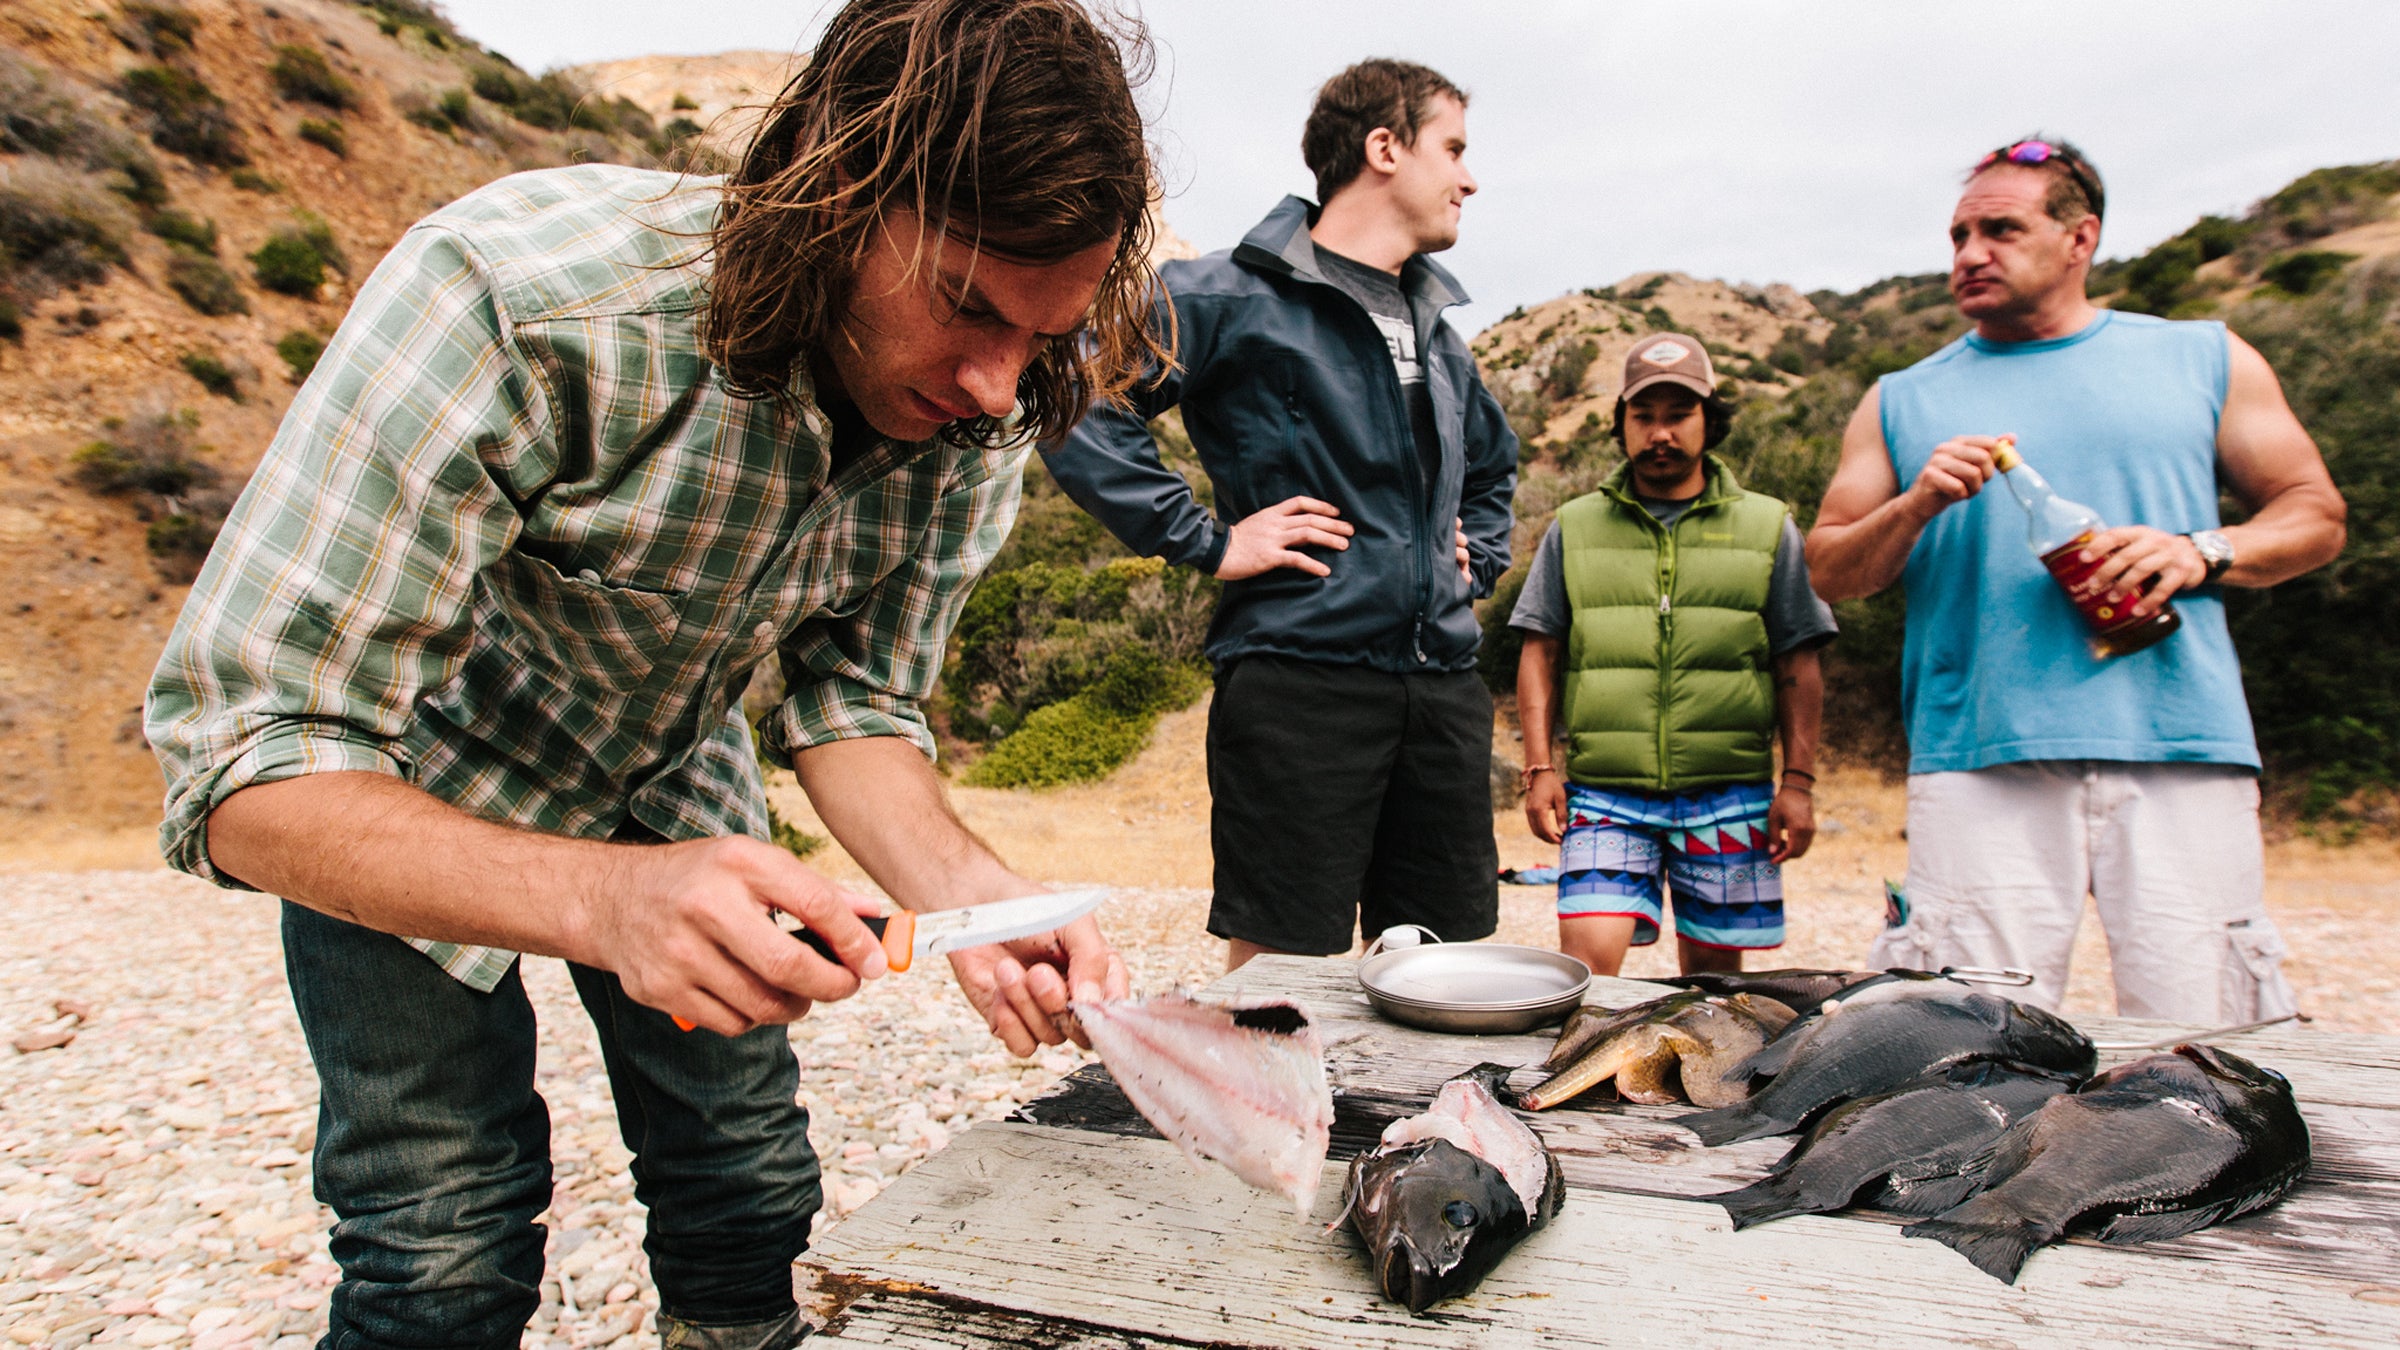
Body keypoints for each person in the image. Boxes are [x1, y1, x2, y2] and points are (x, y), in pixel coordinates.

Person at [142, 3, 1155, 1346]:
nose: (991, 383)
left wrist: (979, 901)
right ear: (835, 189)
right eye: (966, 304)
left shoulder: (983, 405)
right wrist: (608, 900)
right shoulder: (519, 298)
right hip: (394, 782)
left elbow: (851, 700)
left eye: (1045, 334)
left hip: (671, 765)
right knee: (442, 1248)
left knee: (750, 1197)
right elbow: (244, 755)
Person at [1806, 136, 2347, 1022]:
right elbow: (1827, 569)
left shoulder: (2205, 357)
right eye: (1958, 235)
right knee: (1963, 1042)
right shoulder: (1900, 397)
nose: (1971, 254)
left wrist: (2200, 550)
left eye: (2001, 230)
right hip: (1982, 760)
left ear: (2079, 238)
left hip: (2182, 749)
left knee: (2208, 1041)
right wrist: (1912, 507)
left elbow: (2315, 514)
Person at [1044, 59, 1518, 970]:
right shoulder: (1225, 293)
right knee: (1281, 968)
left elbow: (1493, 464)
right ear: (1384, 146)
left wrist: (1478, 557)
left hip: (1445, 689)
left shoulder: (1440, 333)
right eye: (1452, 149)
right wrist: (1211, 542)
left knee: (1441, 966)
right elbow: (1077, 395)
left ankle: (1419, 1122)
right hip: (1300, 681)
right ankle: (1267, 1118)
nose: (1468, 177)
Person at [1511, 337, 1836, 978]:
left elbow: (1798, 663)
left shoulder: (1769, 526)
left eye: (1678, 414)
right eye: (1644, 416)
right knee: (1587, 973)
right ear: (1622, 426)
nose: (1661, 432)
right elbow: (1538, 649)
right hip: (1606, 791)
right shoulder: (1574, 526)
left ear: (1708, 421)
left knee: (1713, 985)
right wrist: (1539, 767)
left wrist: (1797, 784)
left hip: (1729, 792)